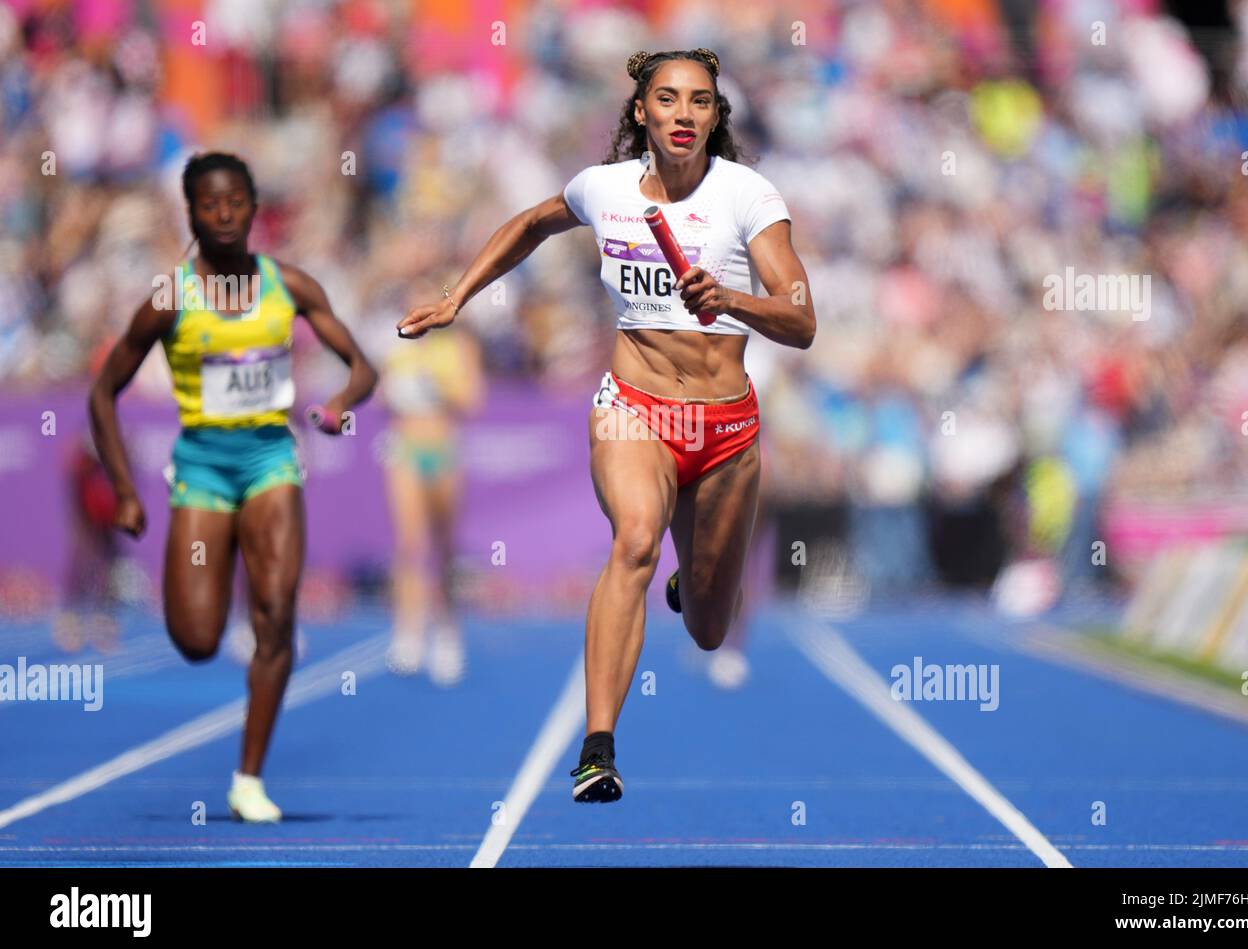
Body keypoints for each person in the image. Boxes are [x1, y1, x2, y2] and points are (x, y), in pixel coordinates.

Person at [397, 48, 815, 803]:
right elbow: (530, 223)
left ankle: (700, 577)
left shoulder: (749, 197)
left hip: (725, 430)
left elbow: (802, 318)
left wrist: (730, 298)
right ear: (640, 112)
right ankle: (598, 747)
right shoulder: (605, 189)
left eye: (698, 101)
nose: (683, 114)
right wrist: (459, 295)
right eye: (667, 98)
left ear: (716, 117)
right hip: (634, 409)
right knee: (632, 541)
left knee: (711, 629)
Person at [88, 152, 377, 822]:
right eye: (209, 205)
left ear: (254, 209)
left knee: (276, 614)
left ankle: (249, 777)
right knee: (195, 638)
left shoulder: (289, 285)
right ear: (190, 213)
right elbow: (104, 393)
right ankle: (214, 618)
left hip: (272, 459)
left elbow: (361, 365)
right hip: (201, 469)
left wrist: (339, 404)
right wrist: (126, 492)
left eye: (236, 202)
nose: (223, 215)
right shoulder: (169, 298)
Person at [379, 311, 484, 684]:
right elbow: (383, 395)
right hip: (406, 447)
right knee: (409, 543)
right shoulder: (396, 343)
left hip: (443, 449)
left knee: (444, 547)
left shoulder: (458, 345)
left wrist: (435, 381)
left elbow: (472, 399)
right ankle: (408, 631)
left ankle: (447, 631)